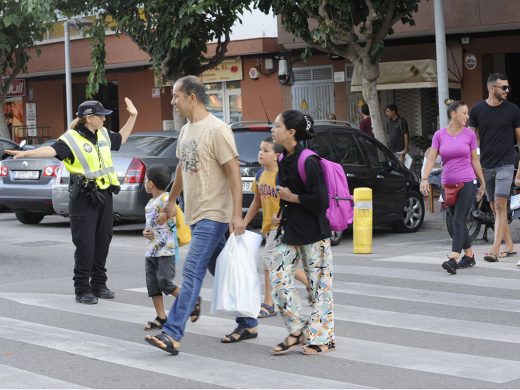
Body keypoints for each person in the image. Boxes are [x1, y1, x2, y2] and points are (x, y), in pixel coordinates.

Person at [144, 75, 252, 356]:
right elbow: (182, 166)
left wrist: (237, 215)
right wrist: (170, 201)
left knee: (192, 270)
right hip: (195, 211)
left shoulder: (217, 130)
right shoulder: (187, 130)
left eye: (176, 96)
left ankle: (172, 333)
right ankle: (249, 321)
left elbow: (233, 172)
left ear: (192, 97)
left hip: (214, 212)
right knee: (221, 269)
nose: (173, 102)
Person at [6, 98, 138, 304]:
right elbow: (52, 150)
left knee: (103, 242)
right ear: (88, 118)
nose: (104, 118)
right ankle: (82, 289)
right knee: (85, 245)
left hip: (104, 195)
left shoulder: (102, 133)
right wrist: (28, 152)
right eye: (101, 115)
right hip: (83, 197)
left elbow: (121, 139)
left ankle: (99, 285)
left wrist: (133, 116)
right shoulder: (72, 138)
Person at [270, 110, 335, 355]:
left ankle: (321, 338)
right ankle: (297, 329)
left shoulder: (309, 161)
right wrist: (281, 209)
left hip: (314, 233)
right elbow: (285, 194)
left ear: (291, 132)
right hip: (290, 230)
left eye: (277, 126)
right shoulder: (282, 159)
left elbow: (321, 201)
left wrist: (292, 198)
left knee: (319, 287)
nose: (272, 130)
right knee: (278, 279)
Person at [243, 137, 309, 319]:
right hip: (268, 227)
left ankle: (268, 303)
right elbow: (257, 201)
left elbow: (290, 199)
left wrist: (281, 215)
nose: (261, 153)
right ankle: (314, 287)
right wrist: (244, 222)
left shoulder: (282, 174)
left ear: (277, 156)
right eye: (260, 149)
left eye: (266, 150)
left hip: (283, 226)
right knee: (284, 265)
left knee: (268, 260)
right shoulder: (259, 175)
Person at [421, 100, 486, 274]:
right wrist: (424, 178)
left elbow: (475, 160)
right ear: (453, 114)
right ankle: (470, 256)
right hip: (447, 185)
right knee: (456, 221)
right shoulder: (439, 135)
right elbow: (432, 158)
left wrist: (482, 182)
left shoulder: (470, 135)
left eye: (467, 113)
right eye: (464, 113)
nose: (467, 116)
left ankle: (453, 258)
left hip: (467, 183)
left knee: (458, 219)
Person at [142, 164, 200, 330]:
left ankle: (191, 302)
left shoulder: (166, 199)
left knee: (165, 282)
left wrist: (166, 214)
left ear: (151, 183)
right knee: (153, 285)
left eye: (146, 179)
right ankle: (161, 317)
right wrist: (145, 232)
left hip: (166, 250)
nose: (145, 182)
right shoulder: (151, 202)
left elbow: (174, 210)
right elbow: (150, 226)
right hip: (152, 250)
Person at [469, 73, 520, 262]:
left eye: (508, 87)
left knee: (500, 205)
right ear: (492, 88)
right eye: (503, 87)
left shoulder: (513, 110)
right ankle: (510, 245)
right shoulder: (476, 110)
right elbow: (471, 140)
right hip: (486, 165)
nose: (507, 90)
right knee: (493, 207)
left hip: (506, 163)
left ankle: (495, 249)